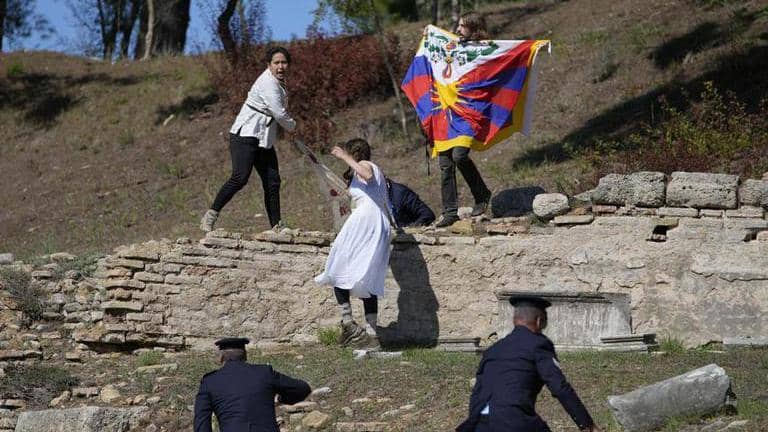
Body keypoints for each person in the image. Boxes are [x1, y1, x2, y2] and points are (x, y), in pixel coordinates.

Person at [456, 296, 602, 432]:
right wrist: (587, 424)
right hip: (513, 420)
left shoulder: (494, 349)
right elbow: (560, 387)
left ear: (515, 320)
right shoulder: (539, 345)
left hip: (478, 422)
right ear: (539, 321)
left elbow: (479, 389)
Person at [200, 46, 296, 233]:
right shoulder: (268, 83)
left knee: (272, 181)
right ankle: (210, 215)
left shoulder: (281, 83)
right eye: (276, 63)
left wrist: (287, 127)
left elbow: (277, 113)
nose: (280, 66)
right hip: (246, 135)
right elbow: (278, 111)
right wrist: (293, 126)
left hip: (263, 139)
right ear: (269, 65)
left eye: (284, 62)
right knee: (240, 178)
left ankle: (276, 226)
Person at [314, 139, 392, 350]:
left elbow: (365, 174)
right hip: (375, 223)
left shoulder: (367, 166)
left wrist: (343, 156)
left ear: (355, 153)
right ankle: (371, 334)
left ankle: (348, 323)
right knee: (366, 277)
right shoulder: (362, 174)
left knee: (337, 267)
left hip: (366, 222)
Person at [432, 11, 493, 228]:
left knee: (459, 156)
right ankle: (450, 212)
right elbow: (438, 55)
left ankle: (482, 194)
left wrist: (532, 48)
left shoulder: (486, 50)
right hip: (448, 110)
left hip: (471, 110)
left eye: (462, 26)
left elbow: (506, 55)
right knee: (445, 162)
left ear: (474, 28)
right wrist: (427, 36)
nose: (458, 30)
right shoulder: (456, 46)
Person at [193, 337, 311, 432]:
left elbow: (201, 423)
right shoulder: (264, 373)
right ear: (245, 355)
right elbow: (302, 388)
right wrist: (281, 399)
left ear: (221, 357)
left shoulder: (210, 381)